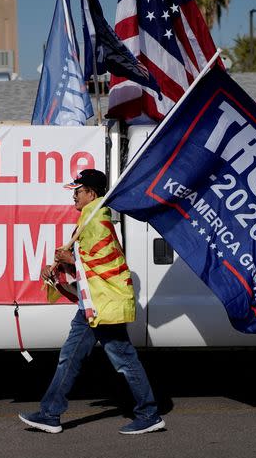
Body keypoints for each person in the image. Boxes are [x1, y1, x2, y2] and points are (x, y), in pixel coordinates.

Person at [19, 169, 165, 435]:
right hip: (94, 304)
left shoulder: (96, 220)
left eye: (79, 190)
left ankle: (149, 413)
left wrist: (69, 261)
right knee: (71, 358)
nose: (74, 195)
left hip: (103, 305)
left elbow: (102, 264)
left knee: (123, 360)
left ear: (91, 193)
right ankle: (50, 413)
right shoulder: (91, 218)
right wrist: (59, 268)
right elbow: (89, 266)